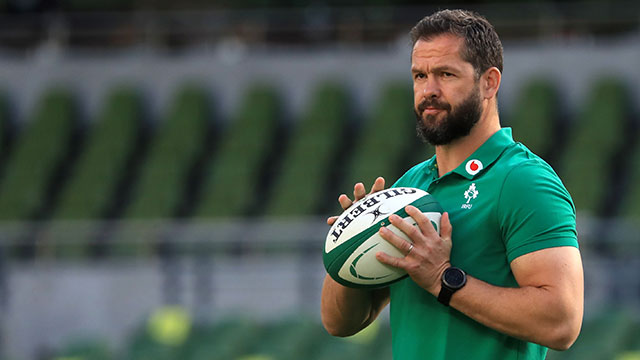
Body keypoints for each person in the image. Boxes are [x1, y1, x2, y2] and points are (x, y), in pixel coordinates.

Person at [320, 9, 583, 360]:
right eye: (419, 75)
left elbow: (562, 322)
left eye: (445, 74)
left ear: (489, 82)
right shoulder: (409, 186)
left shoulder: (524, 180)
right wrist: (352, 240)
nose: (429, 90)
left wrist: (444, 280)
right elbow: (340, 322)